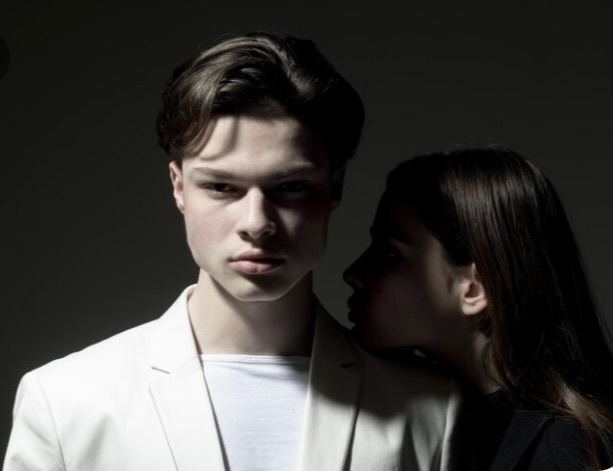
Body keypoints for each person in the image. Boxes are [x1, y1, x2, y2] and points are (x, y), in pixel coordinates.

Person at [4, 32, 462, 471]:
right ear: (179, 187)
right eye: (221, 187)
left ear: (334, 186)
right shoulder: (66, 402)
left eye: (290, 186)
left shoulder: (431, 408)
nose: (256, 223)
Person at [344, 147, 613, 470]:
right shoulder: (430, 414)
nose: (352, 274)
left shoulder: (565, 452)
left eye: (389, 254)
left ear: (473, 290)